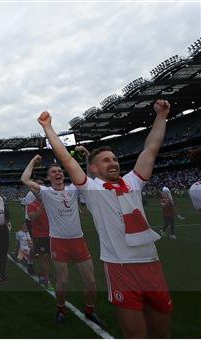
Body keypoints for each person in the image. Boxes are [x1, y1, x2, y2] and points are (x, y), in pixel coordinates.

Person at [38, 100, 173, 338]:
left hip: (152, 263)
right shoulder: (91, 189)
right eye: (106, 160)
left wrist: (161, 116)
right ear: (95, 169)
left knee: (161, 333)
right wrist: (48, 128)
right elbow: (67, 160)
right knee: (136, 335)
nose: (113, 162)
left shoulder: (133, 181)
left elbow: (151, 148)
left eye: (115, 159)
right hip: (120, 266)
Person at [22, 154, 102, 326]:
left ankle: (90, 310)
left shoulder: (73, 189)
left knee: (90, 280)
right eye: (53, 171)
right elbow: (25, 178)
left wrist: (88, 157)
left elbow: (90, 177)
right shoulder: (45, 192)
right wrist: (33, 161)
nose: (58, 173)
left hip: (78, 240)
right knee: (63, 280)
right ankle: (60, 310)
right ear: (49, 177)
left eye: (59, 170)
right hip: (58, 241)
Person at [27, 195, 52, 290]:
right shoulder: (32, 205)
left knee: (49, 258)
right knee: (44, 257)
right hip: (40, 235)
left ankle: (42, 276)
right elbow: (32, 218)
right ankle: (47, 281)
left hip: (52, 234)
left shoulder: (50, 204)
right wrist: (41, 207)